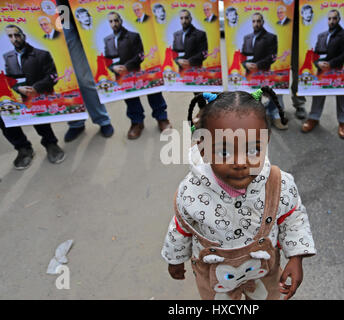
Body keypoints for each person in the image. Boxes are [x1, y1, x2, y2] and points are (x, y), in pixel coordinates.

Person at [161, 87, 315, 300]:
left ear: (266, 141)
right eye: (224, 151)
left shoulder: (278, 184)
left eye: (253, 149)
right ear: (203, 147)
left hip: (264, 271)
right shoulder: (191, 191)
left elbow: (293, 217)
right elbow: (181, 228)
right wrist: (175, 258)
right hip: (215, 277)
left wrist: (296, 257)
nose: (240, 162)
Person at [1, 25, 65, 168]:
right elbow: (10, 79)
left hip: (37, 95)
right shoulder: (7, 57)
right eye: (10, 36)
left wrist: (36, 88)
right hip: (14, 97)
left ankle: (50, 143)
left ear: (23, 35)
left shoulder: (42, 54)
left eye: (16, 35)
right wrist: (18, 88)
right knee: (5, 118)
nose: (14, 39)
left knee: (39, 116)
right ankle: (23, 148)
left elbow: (53, 76)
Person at [104, 11, 171, 139]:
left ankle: (162, 117)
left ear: (121, 21)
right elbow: (107, 60)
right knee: (130, 96)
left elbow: (140, 54)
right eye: (111, 21)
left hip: (136, 70)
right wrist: (113, 67)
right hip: (120, 75)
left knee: (154, 90)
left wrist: (127, 67)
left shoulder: (133, 36)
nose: (114, 24)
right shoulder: (107, 40)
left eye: (116, 20)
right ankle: (136, 122)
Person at [56, 0, 114, 142]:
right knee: (66, 77)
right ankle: (76, 122)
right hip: (59, 11)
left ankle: (102, 119)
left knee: (85, 78)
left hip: (84, 6)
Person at [301, 10, 344, 139]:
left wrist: (330, 63)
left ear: (339, 19)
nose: (331, 21)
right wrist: (318, 63)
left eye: (334, 18)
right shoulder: (322, 35)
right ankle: (314, 118)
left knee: (343, 95)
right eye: (329, 19)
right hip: (321, 69)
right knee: (318, 94)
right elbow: (315, 54)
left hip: (338, 70)